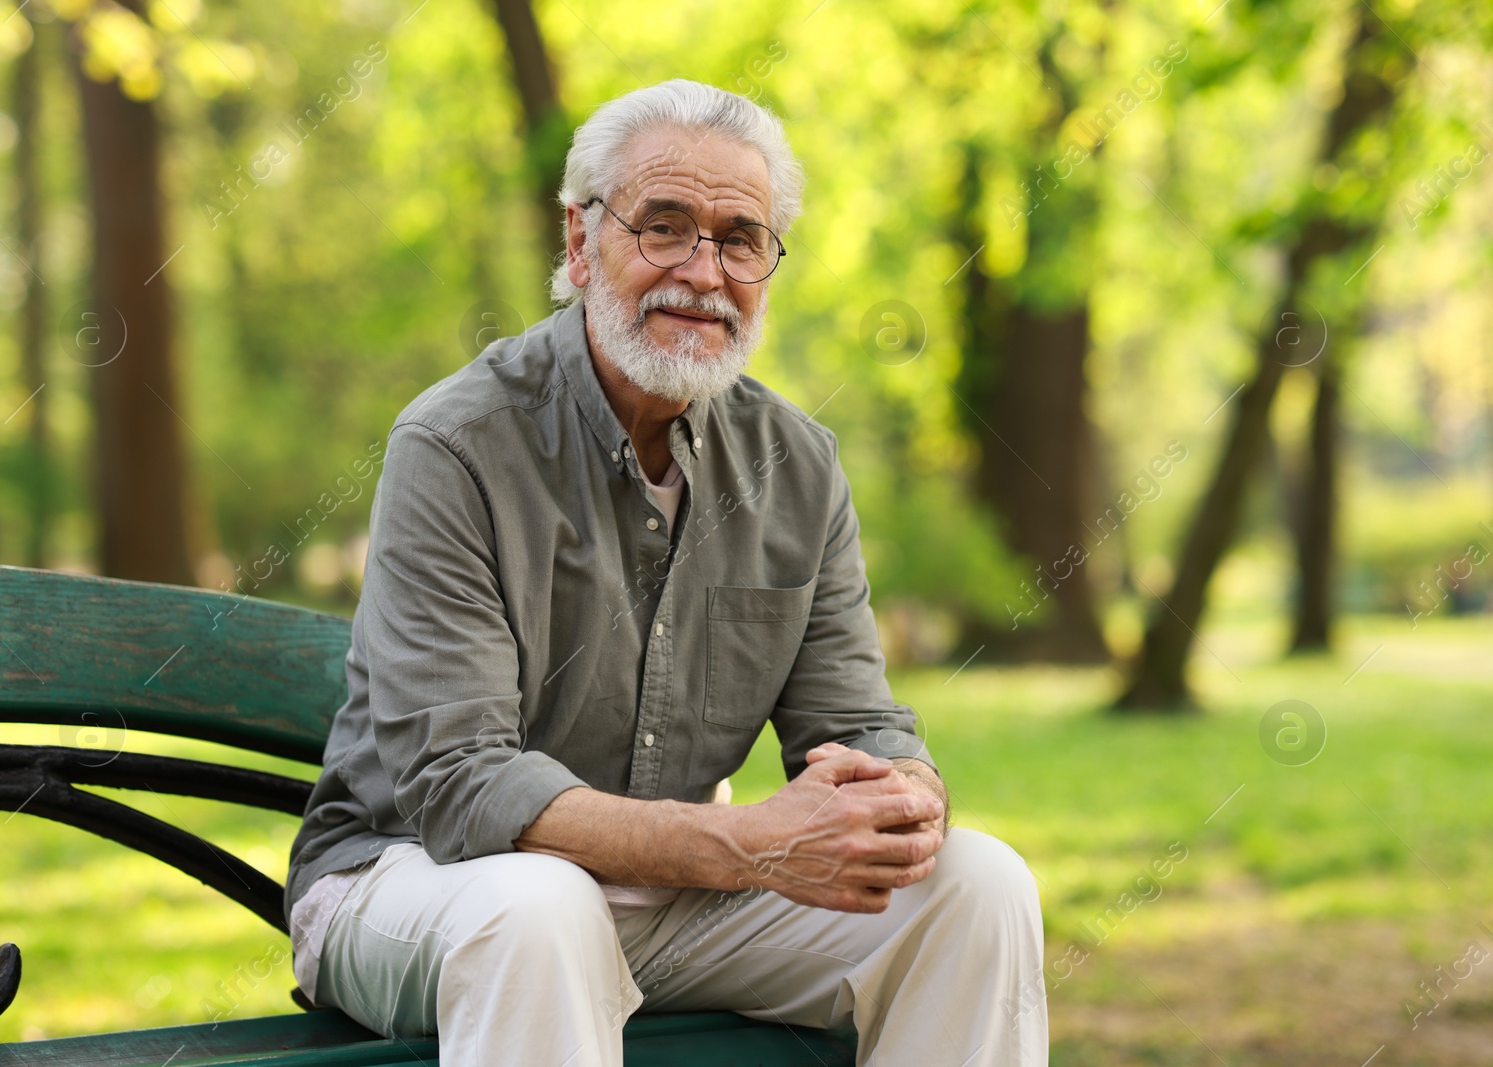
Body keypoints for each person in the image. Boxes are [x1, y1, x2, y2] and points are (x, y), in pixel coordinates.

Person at [284, 77, 1047, 1067]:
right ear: (578, 241)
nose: (703, 270)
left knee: (976, 885)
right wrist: (747, 844)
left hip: (676, 902)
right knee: (540, 902)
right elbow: (460, 785)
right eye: (665, 225)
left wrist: (900, 792)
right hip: (414, 881)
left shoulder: (796, 462)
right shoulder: (457, 442)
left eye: (740, 237)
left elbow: (855, 722)